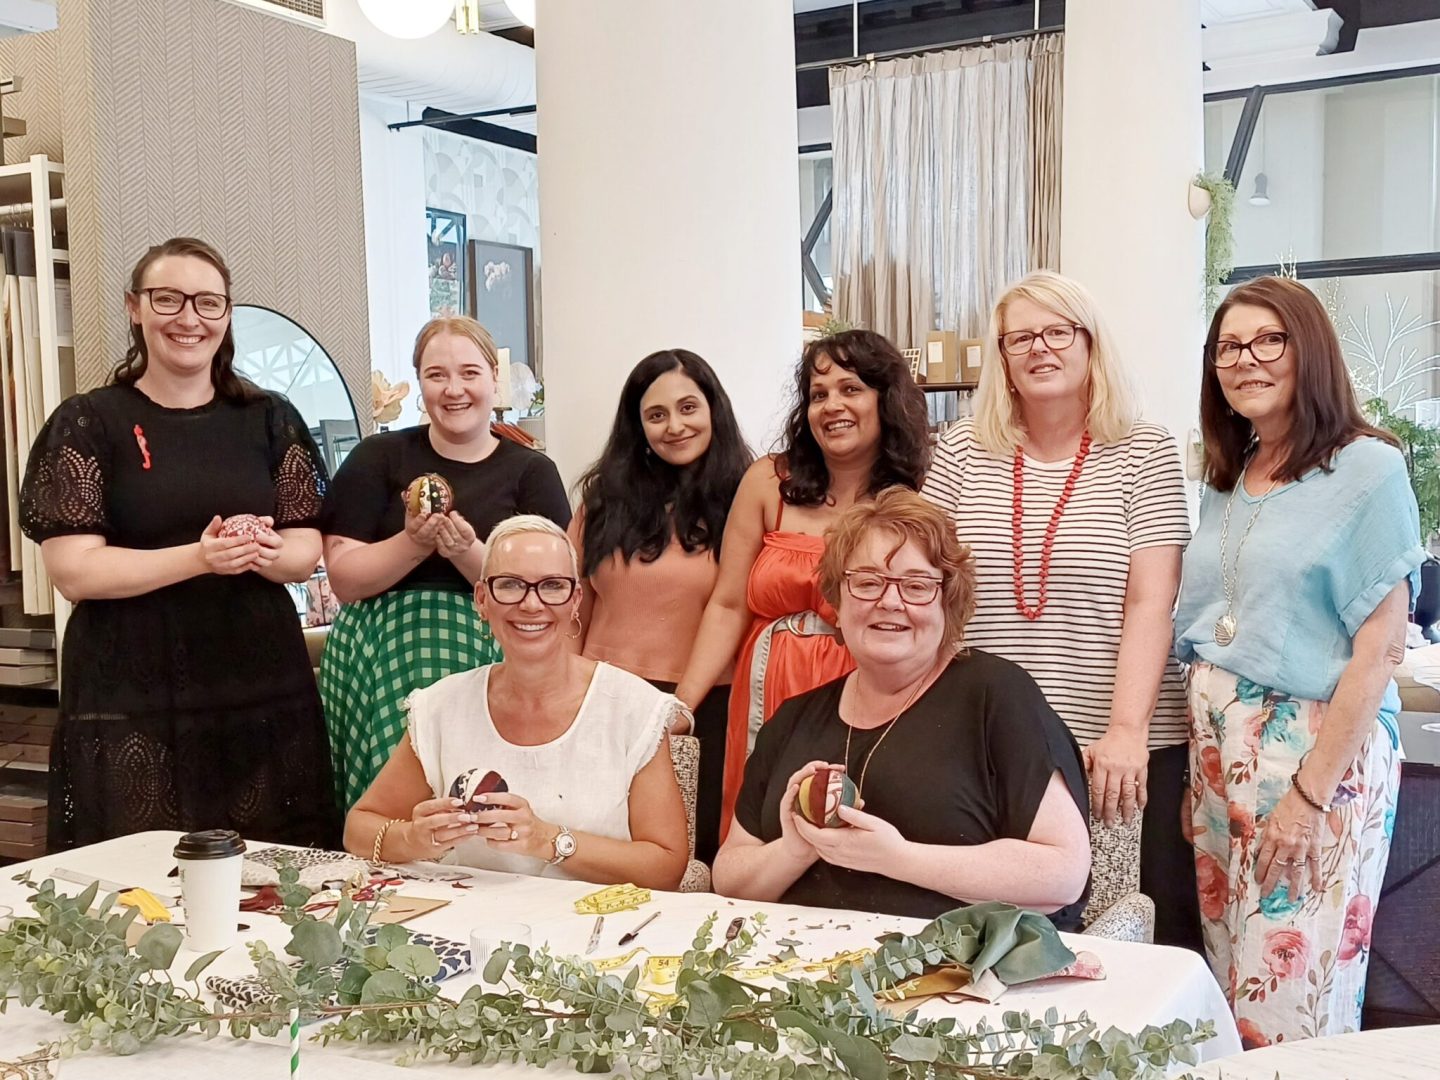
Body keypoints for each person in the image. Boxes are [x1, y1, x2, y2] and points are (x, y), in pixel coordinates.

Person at [19, 236, 338, 849]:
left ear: (226, 315)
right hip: (129, 683)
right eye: (169, 299)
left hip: (258, 679)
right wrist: (199, 558)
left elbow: (306, 548)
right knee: (135, 875)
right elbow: (75, 571)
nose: (189, 318)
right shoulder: (89, 422)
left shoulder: (270, 418)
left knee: (270, 871)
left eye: (207, 303)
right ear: (135, 308)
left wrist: (265, 555)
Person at [1175, 276, 1421, 1045]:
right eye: (1227, 347)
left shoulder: (1368, 468)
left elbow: (1378, 650)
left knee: (1285, 1001)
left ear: (1307, 348)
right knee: (1225, 980)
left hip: (1314, 754)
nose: (1245, 360)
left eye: (1267, 341)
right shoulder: (1234, 472)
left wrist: (1310, 796)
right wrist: (1203, 770)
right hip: (1221, 752)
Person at [920, 270, 1197, 948]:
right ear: (1003, 358)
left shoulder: (1144, 449)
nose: (1039, 349)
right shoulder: (961, 449)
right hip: (989, 738)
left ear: (1089, 344)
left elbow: (1151, 600)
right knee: (987, 938)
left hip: (1120, 739)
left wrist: (1126, 730)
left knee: (1124, 936)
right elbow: (925, 580)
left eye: (1057, 332)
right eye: (1020, 338)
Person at [712, 488, 1091, 924]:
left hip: (960, 975)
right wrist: (796, 848)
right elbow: (729, 878)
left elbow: (1062, 874)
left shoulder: (994, 695)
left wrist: (898, 859)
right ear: (837, 600)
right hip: (806, 968)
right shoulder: (794, 718)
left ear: (948, 603)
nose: (890, 601)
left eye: (916, 586)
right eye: (868, 582)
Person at [675, 330, 930, 840]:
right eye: (818, 394)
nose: (832, 405)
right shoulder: (770, 479)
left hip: (868, 683)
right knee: (762, 828)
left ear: (887, 399)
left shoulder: (918, 491)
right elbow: (728, 605)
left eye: (851, 389)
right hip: (767, 684)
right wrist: (681, 706)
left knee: (853, 824)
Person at [345, 516, 689, 888]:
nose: (531, 604)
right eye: (509, 585)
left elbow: (666, 867)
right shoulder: (442, 707)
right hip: (470, 928)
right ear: (482, 599)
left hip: (598, 930)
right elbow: (359, 829)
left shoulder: (632, 709)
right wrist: (414, 838)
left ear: (575, 600)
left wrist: (548, 840)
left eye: (552, 586)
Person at [320, 317, 570, 810]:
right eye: (437, 375)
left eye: (470, 373)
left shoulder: (531, 471)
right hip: (381, 653)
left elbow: (551, 586)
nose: (454, 389)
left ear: (493, 379)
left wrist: (466, 551)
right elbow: (345, 578)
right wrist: (413, 543)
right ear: (419, 382)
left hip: (491, 648)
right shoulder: (378, 457)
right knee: (391, 801)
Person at [570, 349, 751, 864]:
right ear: (638, 425)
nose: (675, 426)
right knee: (604, 852)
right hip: (603, 702)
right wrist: (567, 696)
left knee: (691, 859)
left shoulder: (748, 494)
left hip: (704, 706)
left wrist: (679, 710)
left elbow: (736, 606)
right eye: (656, 415)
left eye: (688, 407)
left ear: (714, 408)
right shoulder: (603, 499)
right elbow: (572, 604)